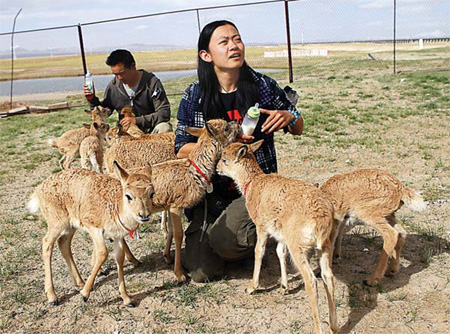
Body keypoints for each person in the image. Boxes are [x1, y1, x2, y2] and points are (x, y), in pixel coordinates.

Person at [175, 20, 303, 282]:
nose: (234, 46)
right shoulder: (195, 94)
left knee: (226, 243)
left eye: (237, 39)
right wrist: (222, 147)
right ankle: (227, 232)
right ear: (206, 55)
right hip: (210, 192)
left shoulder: (262, 86)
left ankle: (250, 233)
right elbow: (180, 149)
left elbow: (299, 127)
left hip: (253, 191)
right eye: (224, 42)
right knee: (201, 272)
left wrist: (289, 116)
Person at [84, 49, 172, 134]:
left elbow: (164, 113)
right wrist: (92, 100)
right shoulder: (113, 86)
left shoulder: (152, 83)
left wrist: (136, 121)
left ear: (133, 66)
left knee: (164, 128)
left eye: (122, 73)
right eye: (115, 74)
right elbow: (104, 112)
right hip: (126, 133)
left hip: (151, 132)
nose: (119, 78)